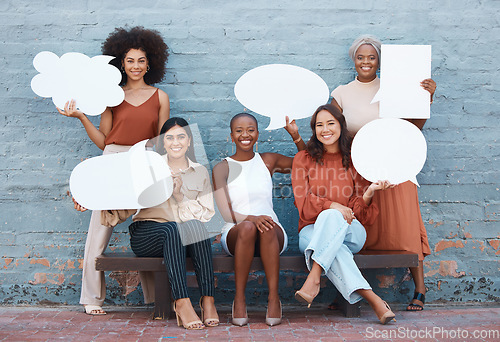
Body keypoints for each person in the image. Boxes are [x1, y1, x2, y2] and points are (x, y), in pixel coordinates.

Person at [57, 26, 170, 315]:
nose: (135, 66)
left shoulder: (160, 97)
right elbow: (104, 141)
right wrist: (82, 116)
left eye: (141, 60)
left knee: (151, 227)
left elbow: (162, 142)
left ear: (150, 63)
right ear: (121, 62)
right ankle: (91, 299)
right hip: (113, 160)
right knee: (100, 230)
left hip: (145, 161)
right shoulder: (111, 95)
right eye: (130, 60)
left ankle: (154, 297)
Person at [330, 34, 436, 311]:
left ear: (379, 61)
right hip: (360, 170)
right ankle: (348, 289)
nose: (366, 62)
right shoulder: (340, 93)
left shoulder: (395, 88)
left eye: (371, 56)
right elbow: (330, 133)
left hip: (397, 167)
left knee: (406, 228)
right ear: (353, 60)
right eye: (360, 57)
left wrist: (426, 98)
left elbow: (414, 128)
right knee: (360, 230)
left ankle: (420, 290)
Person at [292, 104, 395, 325]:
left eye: (331, 123)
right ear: (314, 129)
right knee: (333, 238)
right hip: (311, 230)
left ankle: (314, 275)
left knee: (330, 221)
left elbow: (359, 214)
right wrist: (334, 206)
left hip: (352, 230)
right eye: (319, 125)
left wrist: (369, 192)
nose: (325, 129)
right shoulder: (303, 159)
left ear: (340, 125)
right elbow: (303, 203)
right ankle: (374, 299)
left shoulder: (355, 159)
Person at [212, 113, 305, 326]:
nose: (245, 135)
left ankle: (274, 298)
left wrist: (296, 136)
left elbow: (306, 163)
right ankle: (240, 299)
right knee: (247, 227)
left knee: (267, 226)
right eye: (239, 131)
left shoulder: (267, 160)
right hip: (236, 233)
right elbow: (226, 214)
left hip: (270, 233)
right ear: (231, 136)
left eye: (251, 130)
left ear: (257, 134)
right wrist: (252, 218)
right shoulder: (222, 168)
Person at [129, 117, 218, 330]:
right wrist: (92, 203)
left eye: (181, 137)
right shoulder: (149, 168)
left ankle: (208, 299)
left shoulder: (200, 171)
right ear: (163, 142)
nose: (175, 142)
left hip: (182, 240)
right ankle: (181, 302)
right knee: (172, 228)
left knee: (196, 227)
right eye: (169, 137)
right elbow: (125, 203)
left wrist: (179, 196)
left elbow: (206, 216)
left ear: (189, 142)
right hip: (147, 234)